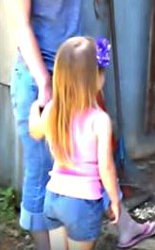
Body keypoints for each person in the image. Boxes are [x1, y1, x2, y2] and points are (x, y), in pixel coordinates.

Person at [6, 0, 155, 250]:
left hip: (73, 73)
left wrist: (95, 64)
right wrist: (44, 83)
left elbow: (71, 22)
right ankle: (46, 245)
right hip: (40, 75)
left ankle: (121, 224)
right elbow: (22, 23)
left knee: (97, 152)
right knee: (42, 171)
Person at [28, 37, 119, 249]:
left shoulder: (51, 110)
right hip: (82, 203)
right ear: (95, 79)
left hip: (54, 197)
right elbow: (106, 167)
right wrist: (114, 199)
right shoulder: (100, 120)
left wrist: (35, 107)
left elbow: (35, 132)